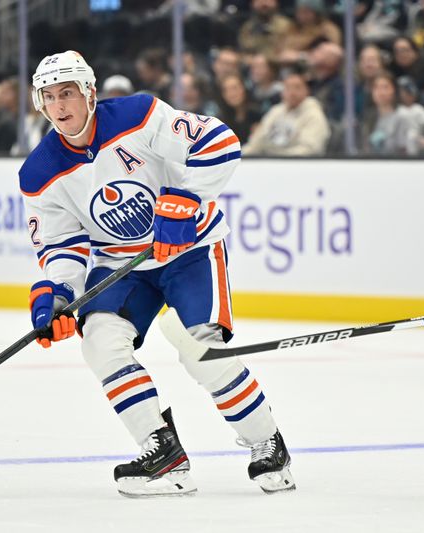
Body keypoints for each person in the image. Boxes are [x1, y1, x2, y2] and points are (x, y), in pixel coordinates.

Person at [19, 50, 295, 498]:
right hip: (122, 265)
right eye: (49, 97)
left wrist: (185, 200)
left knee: (199, 350)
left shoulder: (139, 114)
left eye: (67, 93)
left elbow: (220, 142)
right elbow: (61, 244)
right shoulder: (39, 172)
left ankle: (268, 442)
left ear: (90, 92)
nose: (59, 105)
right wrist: (58, 295)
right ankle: (163, 453)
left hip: (189, 250)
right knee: (101, 344)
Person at [242, 71, 330, 156]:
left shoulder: (313, 115)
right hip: (270, 162)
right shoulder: (276, 111)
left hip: (299, 165)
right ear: (282, 92)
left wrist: (282, 159)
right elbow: (257, 142)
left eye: (297, 87)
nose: (292, 92)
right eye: (288, 88)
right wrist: (240, 156)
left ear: (307, 91)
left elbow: (310, 149)